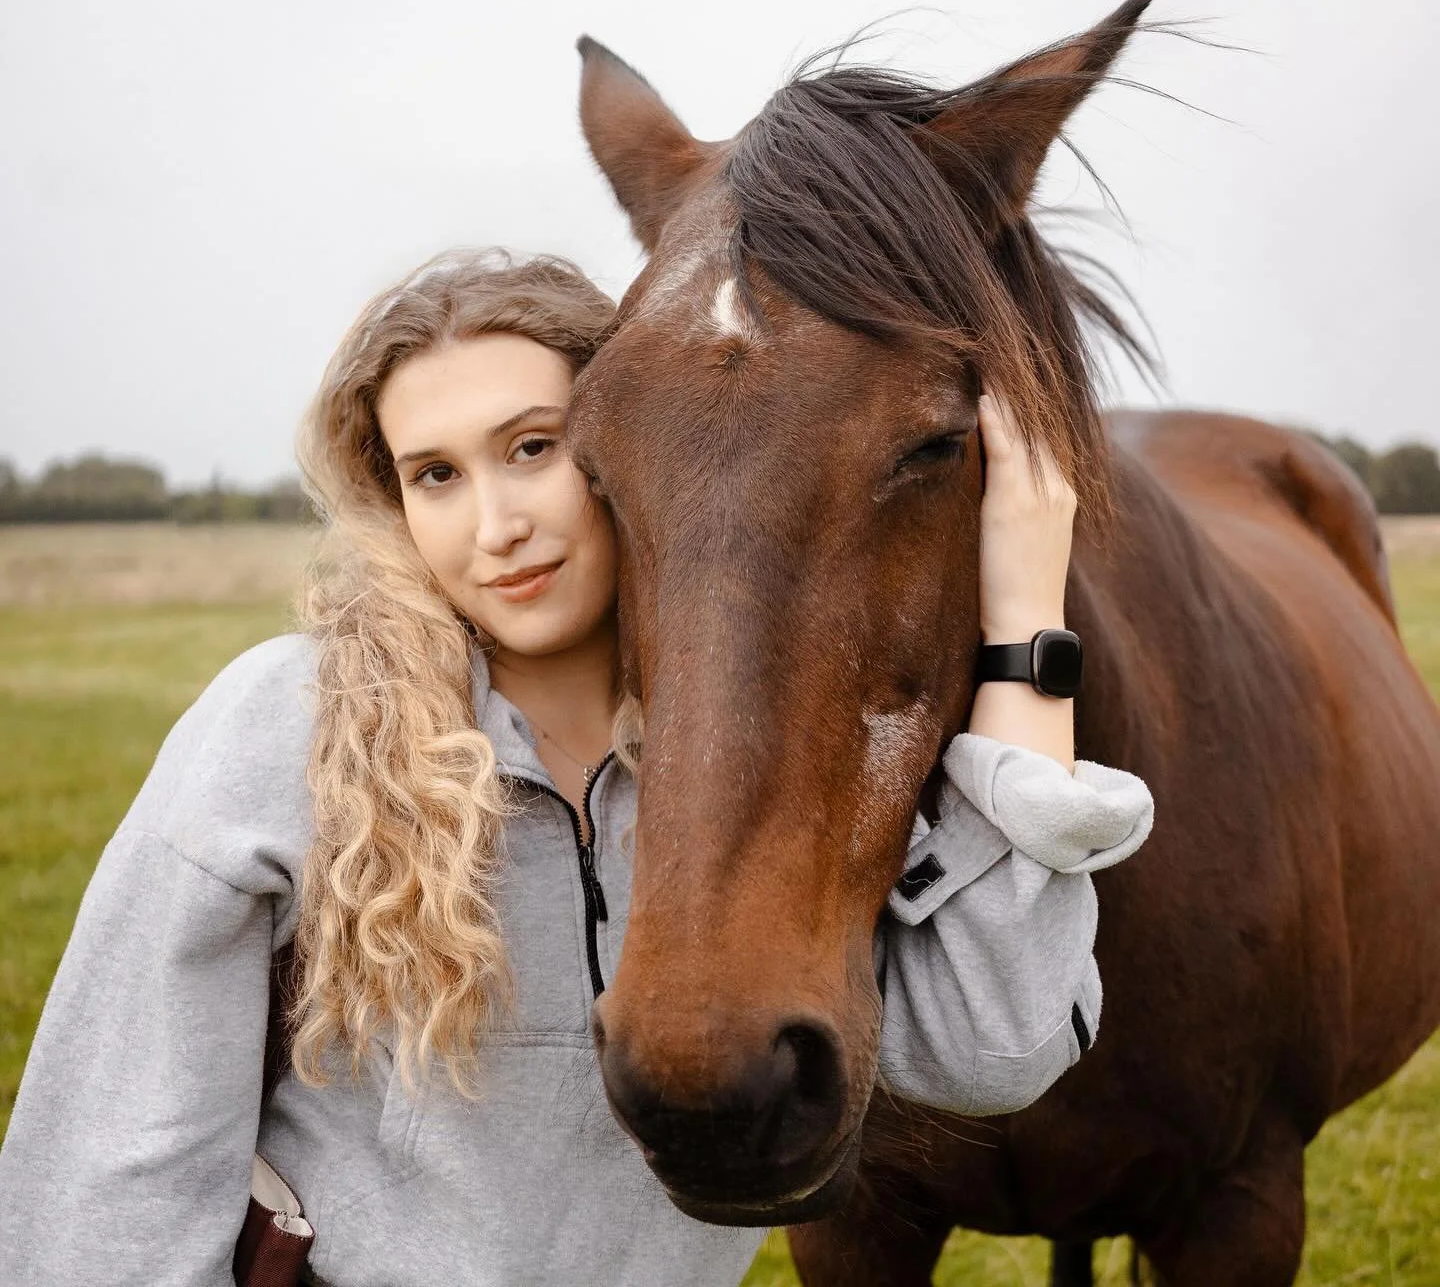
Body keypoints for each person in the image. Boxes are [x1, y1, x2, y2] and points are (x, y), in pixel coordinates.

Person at [0, 248, 1154, 1286]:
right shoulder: (287, 722)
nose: (494, 522)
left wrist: (1022, 632)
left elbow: (995, 1049)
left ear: (633, 450)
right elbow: (118, 1161)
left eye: (534, 448)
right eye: (435, 475)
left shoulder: (764, 751)